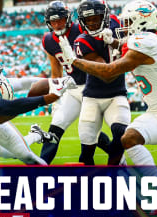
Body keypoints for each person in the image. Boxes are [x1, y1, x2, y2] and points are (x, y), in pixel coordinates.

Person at [59, 0, 157, 215]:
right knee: (129, 139)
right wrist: (112, 43)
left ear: (141, 22)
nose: (124, 25)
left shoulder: (145, 41)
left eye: (129, 21)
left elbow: (109, 71)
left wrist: (74, 60)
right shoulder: (142, 39)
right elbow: (122, 49)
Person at [41, 0, 111, 164]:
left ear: (68, 18)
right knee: (56, 125)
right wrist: (56, 95)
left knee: (88, 130)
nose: (57, 24)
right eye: (53, 21)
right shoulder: (48, 40)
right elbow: (56, 69)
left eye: (60, 20)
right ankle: (40, 166)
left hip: (92, 86)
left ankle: (117, 155)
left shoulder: (81, 28)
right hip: (73, 88)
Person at [73, 0, 130, 165]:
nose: (91, 23)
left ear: (105, 16)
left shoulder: (116, 23)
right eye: (88, 20)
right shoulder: (82, 40)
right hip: (93, 97)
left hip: (117, 93)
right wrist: (122, 55)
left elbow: (134, 42)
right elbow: (106, 73)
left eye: (95, 18)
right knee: (87, 150)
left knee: (121, 132)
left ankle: (115, 171)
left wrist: (114, 42)